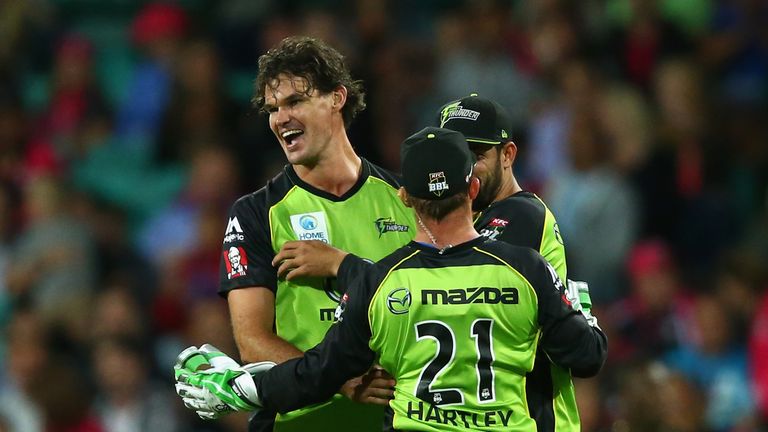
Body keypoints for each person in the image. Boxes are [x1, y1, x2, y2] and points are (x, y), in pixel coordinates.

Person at [175, 127, 608, 431]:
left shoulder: (378, 282)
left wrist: (236, 388)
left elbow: (315, 374)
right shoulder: (527, 270)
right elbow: (587, 357)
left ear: (404, 196)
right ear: (473, 190)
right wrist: (580, 308)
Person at [271, 94, 596, 431]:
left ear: (508, 155)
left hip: (530, 413)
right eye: (458, 151)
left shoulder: (521, 215)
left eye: (477, 154)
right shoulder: (466, 217)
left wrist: (343, 265)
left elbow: (443, 284)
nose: (466, 163)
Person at [214, 36, 416, 431]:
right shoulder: (257, 213)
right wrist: (338, 380)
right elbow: (252, 341)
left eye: (294, 102)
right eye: (273, 109)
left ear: (337, 98)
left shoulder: (406, 201)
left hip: (394, 420)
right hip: (299, 422)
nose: (280, 118)